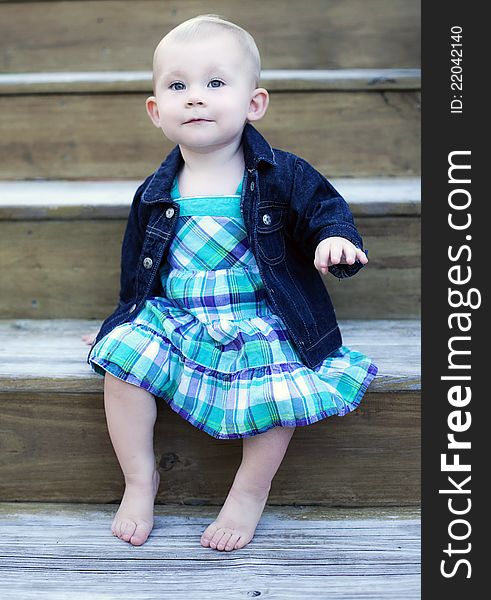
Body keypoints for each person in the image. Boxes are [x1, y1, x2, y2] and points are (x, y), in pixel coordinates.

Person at [82, 14, 378, 552]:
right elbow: (138, 269)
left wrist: (334, 242)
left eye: (215, 83)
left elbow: (324, 212)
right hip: (179, 316)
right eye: (178, 85)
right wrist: (122, 320)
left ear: (253, 103)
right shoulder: (154, 191)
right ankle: (140, 481)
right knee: (121, 363)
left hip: (261, 314)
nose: (195, 98)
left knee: (278, 387)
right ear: (156, 111)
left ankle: (248, 492)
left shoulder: (283, 174)